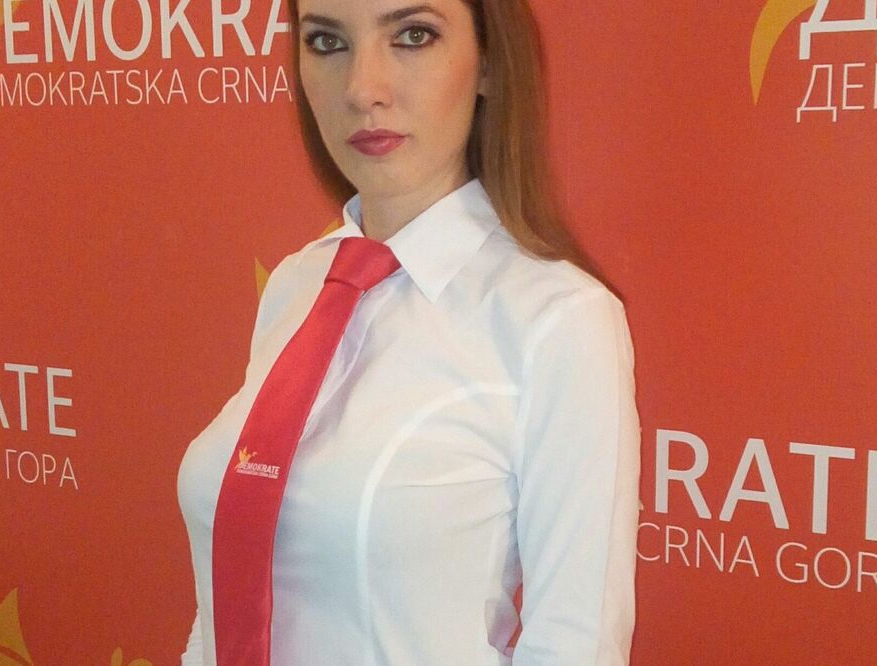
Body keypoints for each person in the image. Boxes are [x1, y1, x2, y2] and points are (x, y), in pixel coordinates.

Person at [177, 0, 641, 663]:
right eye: (327, 42)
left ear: (488, 63)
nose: (363, 89)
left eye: (413, 36)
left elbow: (575, 646)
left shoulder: (559, 320)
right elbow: (227, 594)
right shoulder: (296, 284)